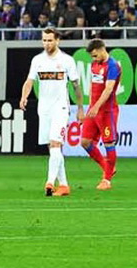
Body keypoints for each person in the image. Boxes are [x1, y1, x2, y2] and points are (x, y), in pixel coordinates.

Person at [19, 29, 85, 197]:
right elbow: (29, 81)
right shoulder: (37, 60)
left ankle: (49, 182)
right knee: (53, 147)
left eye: (50, 40)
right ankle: (63, 185)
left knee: (56, 144)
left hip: (61, 108)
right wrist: (24, 97)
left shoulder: (66, 61)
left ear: (58, 41)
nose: (47, 43)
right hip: (44, 108)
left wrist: (79, 108)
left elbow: (76, 86)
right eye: (44, 40)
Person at [81, 38, 121, 190]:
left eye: (94, 55)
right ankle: (107, 166)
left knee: (109, 143)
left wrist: (97, 106)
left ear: (101, 49)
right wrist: (90, 106)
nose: (93, 58)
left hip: (107, 111)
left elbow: (109, 88)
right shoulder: (94, 64)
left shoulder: (113, 66)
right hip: (94, 109)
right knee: (85, 142)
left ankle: (107, 180)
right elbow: (93, 86)